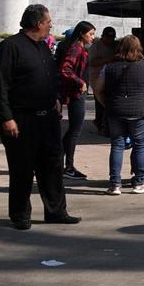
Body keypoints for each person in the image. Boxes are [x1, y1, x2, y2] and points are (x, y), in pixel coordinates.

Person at [0, 4, 79, 230]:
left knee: (52, 167)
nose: (51, 25)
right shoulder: (11, 47)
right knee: (22, 169)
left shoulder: (43, 47)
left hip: (47, 119)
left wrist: (56, 98)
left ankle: (56, 211)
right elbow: (0, 86)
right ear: (38, 23)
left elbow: (51, 77)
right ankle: (20, 214)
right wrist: (6, 118)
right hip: (21, 119)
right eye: (49, 21)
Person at [95, 35, 144, 195]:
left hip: (115, 111)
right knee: (140, 145)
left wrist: (106, 104)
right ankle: (139, 182)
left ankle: (115, 185)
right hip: (139, 112)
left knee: (117, 145)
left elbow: (97, 89)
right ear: (138, 48)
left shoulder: (108, 67)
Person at [55, 21, 96, 179]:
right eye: (90, 34)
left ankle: (63, 164)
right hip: (76, 94)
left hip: (76, 93)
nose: (93, 37)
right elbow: (65, 69)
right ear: (81, 34)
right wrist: (80, 82)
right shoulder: (76, 48)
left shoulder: (79, 48)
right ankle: (67, 166)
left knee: (73, 130)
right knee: (74, 130)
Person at [87, 26, 118, 135]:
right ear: (103, 37)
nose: (110, 40)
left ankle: (105, 124)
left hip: (110, 78)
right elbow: (92, 62)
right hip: (97, 78)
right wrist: (110, 59)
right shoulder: (95, 47)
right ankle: (100, 124)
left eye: (112, 38)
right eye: (108, 38)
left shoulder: (114, 46)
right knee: (100, 103)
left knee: (108, 102)